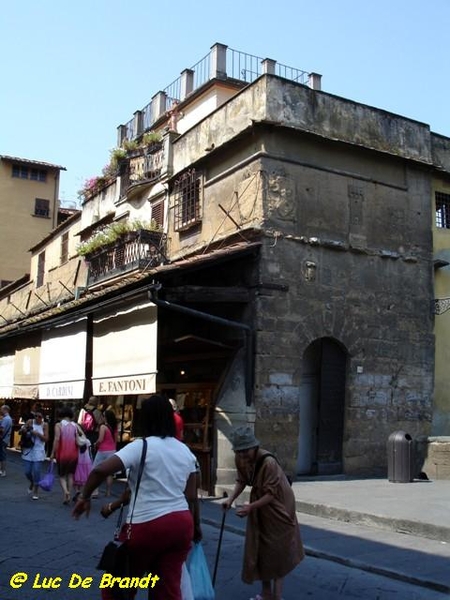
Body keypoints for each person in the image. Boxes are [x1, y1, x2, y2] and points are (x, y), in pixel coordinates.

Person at [73, 394, 202, 600]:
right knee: (167, 589)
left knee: (117, 588)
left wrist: (84, 496)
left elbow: (100, 471)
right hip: (180, 524)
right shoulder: (186, 452)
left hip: (147, 523)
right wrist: (196, 527)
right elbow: (191, 496)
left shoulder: (141, 446)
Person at [222, 426, 304, 600]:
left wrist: (251, 507)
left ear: (254, 447)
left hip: (279, 505)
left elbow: (271, 494)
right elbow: (242, 480)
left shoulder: (268, 463)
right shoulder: (240, 458)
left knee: (278, 549)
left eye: (246, 451)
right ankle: (266, 593)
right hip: (260, 502)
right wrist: (230, 500)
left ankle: (277, 596)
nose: (243, 455)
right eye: (239, 451)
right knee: (261, 547)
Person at [50, 405, 79, 505]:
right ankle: (68, 495)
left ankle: (65, 492)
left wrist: (53, 452)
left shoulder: (59, 425)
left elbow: (57, 439)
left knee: (62, 476)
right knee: (70, 475)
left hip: (62, 453)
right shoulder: (75, 425)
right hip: (74, 453)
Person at [20, 410, 49, 499]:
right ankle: (32, 482)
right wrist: (24, 429)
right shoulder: (30, 422)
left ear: (42, 418)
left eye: (39, 416)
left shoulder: (45, 425)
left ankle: (36, 491)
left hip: (38, 450)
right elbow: (21, 431)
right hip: (28, 449)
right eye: (35, 416)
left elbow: (46, 439)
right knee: (27, 472)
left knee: (36, 471)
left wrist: (37, 434)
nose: (37, 418)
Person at [90, 409, 117, 497]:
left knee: (96, 470)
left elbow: (100, 439)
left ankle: (95, 491)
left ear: (105, 417)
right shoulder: (114, 427)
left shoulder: (103, 427)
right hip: (112, 450)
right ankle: (108, 492)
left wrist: (95, 443)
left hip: (103, 450)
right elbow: (116, 440)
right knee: (109, 472)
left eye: (103, 416)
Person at [0, 405, 13, 477]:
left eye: (1, 409)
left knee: (2, 455)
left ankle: (3, 470)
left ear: (5, 410)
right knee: (2, 455)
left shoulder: (6, 419)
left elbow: (2, 429)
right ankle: (2, 470)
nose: (0, 411)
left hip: (3, 439)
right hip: (5, 439)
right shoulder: (8, 418)